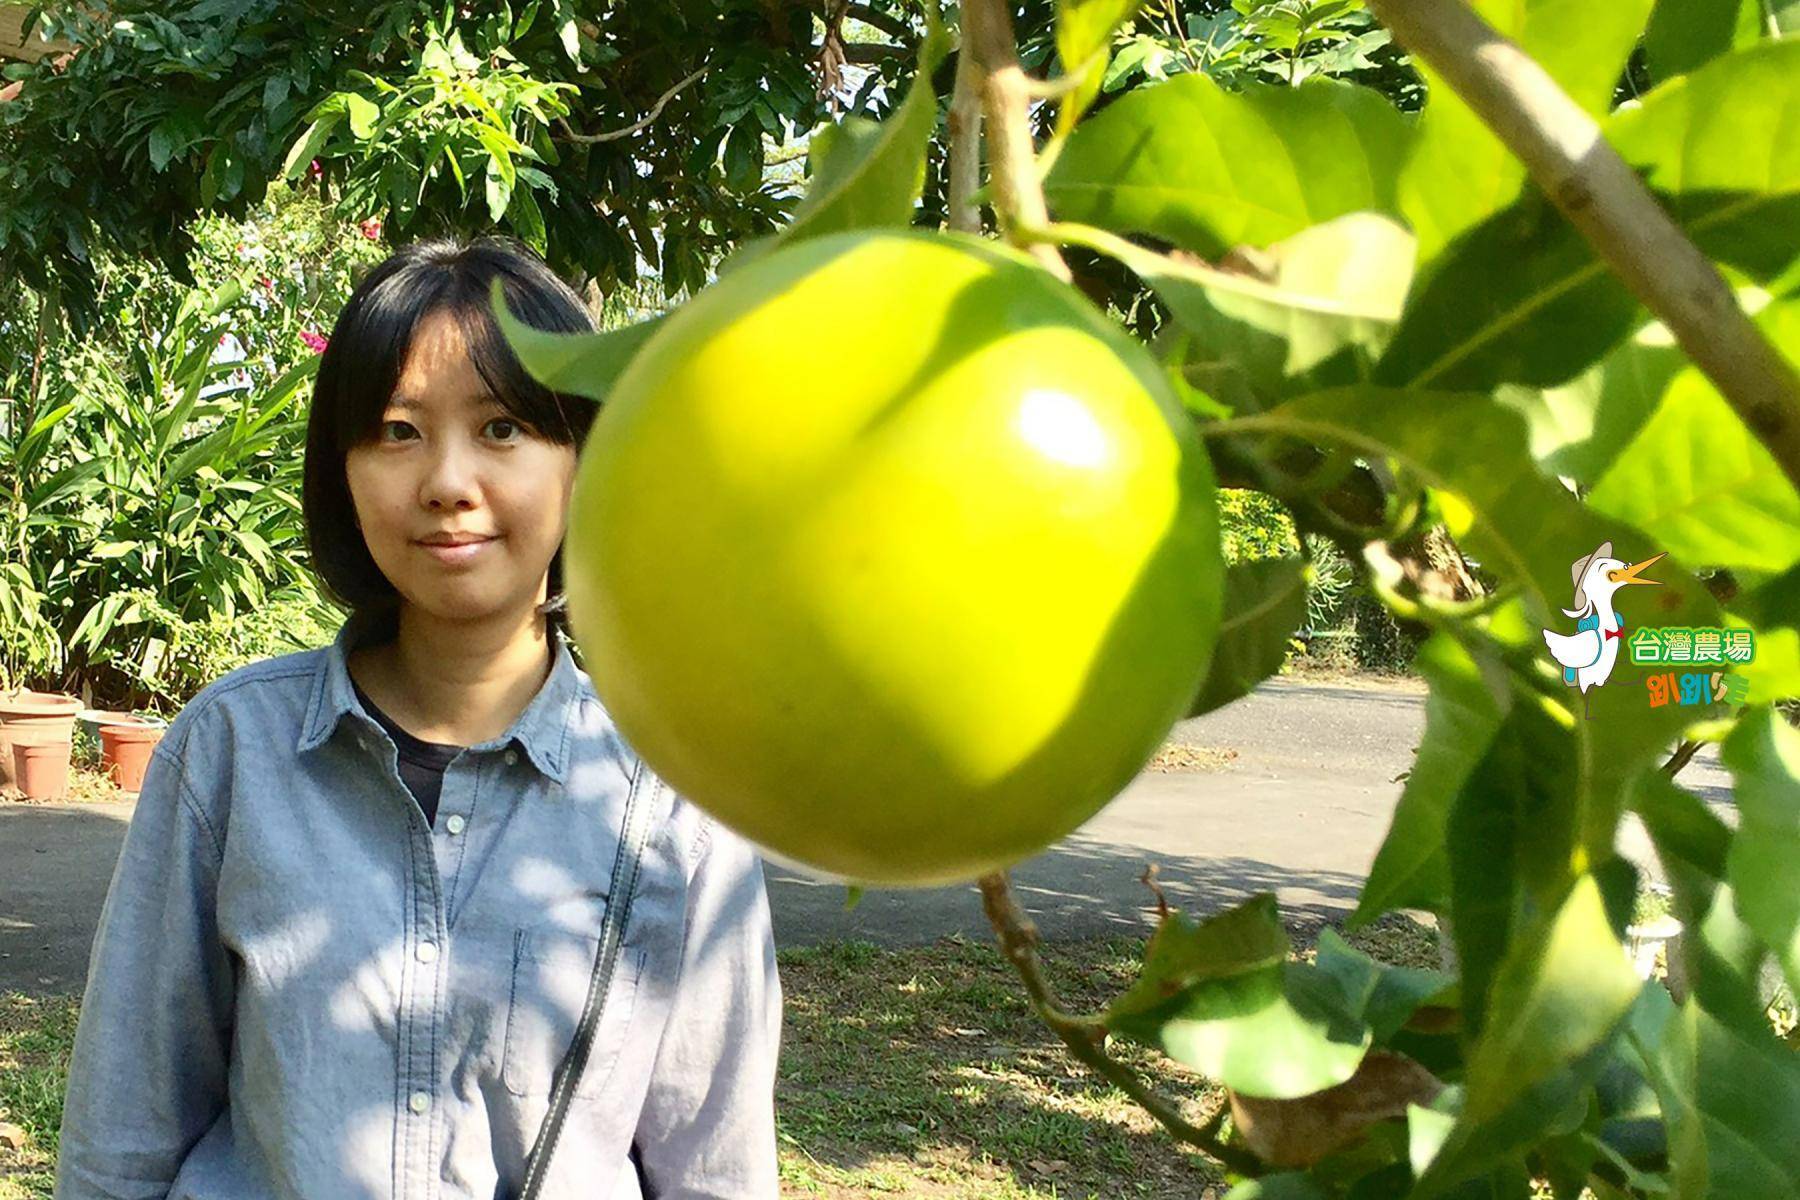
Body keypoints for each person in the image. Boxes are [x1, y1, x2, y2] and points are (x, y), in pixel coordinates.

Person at [54, 238, 783, 1199]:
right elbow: (124, 1132)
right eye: (398, 430)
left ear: (586, 461)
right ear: (343, 468)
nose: (446, 481)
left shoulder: (674, 799)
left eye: (505, 428)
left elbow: (715, 1167)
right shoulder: (234, 753)